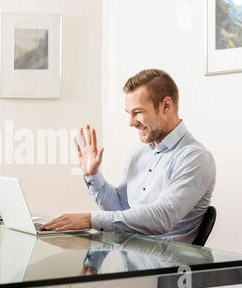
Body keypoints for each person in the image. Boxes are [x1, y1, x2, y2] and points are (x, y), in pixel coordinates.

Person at [42, 69, 216, 244]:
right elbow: (121, 208)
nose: (131, 122)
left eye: (138, 112)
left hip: (167, 266)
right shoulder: (138, 152)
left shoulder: (195, 158)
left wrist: (91, 219)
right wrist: (92, 175)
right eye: (129, 113)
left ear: (166, 106)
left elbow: (162, 218)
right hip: (130, 257)